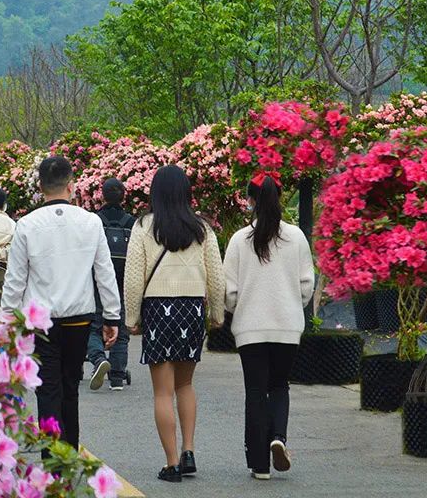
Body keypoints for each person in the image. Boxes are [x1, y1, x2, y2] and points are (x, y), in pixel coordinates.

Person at [0, 156, 121, 453]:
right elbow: (104, 272)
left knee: (47, 388)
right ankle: (70, 452)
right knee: (70, 387)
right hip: (79, 317)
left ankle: (52, 460)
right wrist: (111, 316)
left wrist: (5, 320)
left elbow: (15, 279)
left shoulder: (26, 225)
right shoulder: (91, 222)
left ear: (40, 187)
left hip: (40, 322)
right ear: (72, 185)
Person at [124, 165, 225, 483]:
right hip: (192, 310)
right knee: (185, 385)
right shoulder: (202, 229)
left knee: (162, 393)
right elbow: (217, 277)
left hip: (158, 310)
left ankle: (171, 464)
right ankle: (189, 450)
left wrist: (131, 317)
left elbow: (132, 278)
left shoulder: (143, 227)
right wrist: (217, 315)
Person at [223, 171, 314, 480]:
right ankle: (279, 437)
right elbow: (306, 286)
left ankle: (260, 465)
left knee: (255, 390)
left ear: (251, 201)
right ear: (280, 197)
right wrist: (290, 305)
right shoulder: (297, 237)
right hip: (287, 328)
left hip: (250, 329)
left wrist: (237, 309)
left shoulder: (239, 240)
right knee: (279, 386)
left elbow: (229, 293)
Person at [87, 178, 135, 391]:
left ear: (102, 196)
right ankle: (117, 376)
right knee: (120, 326)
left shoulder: (94, 220)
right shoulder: (131, 222)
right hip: (123, 280)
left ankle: (97, 359)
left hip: (97, 280)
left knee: (94, 325)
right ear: (123, 196)